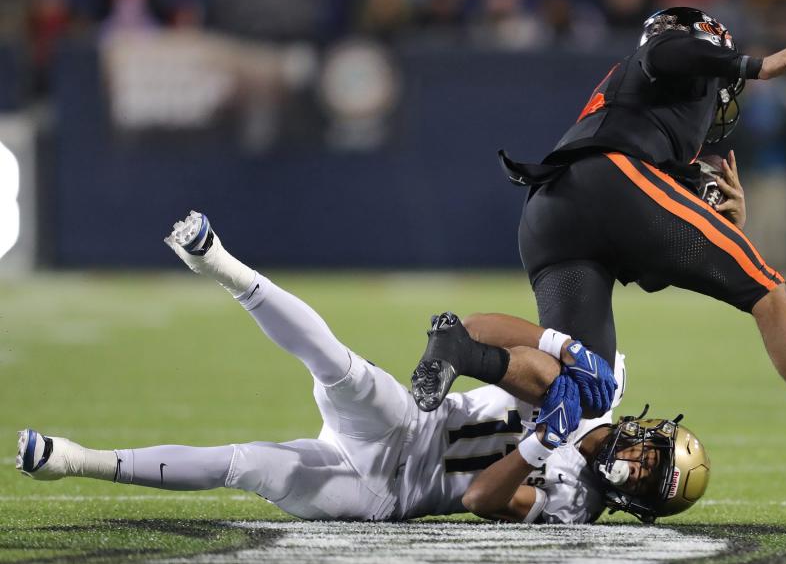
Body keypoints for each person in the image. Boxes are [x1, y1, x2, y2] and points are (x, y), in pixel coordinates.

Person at [418, 7, 786, 475]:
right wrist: (752, 64)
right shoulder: (666, 56)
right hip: (612, 180)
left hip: (550, 210)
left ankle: (465, 351)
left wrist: (723, 218)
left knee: (589, 385)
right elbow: (666, 49)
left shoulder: (642, 107)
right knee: (768, 290)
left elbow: (657, 263)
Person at [16, 211, 707, 524]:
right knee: (341, 368)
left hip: (389, 495)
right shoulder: (598, 389)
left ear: (638, 501)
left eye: (651, 478)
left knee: (247, 464)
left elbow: (480, 500)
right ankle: (221, 263)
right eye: (653, 452)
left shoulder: (577, 504)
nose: (638, 461)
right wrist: (494, 346)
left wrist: (540, 442)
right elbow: (502, 333)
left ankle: (78, 459)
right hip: (419, 420)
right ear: (647, 428)